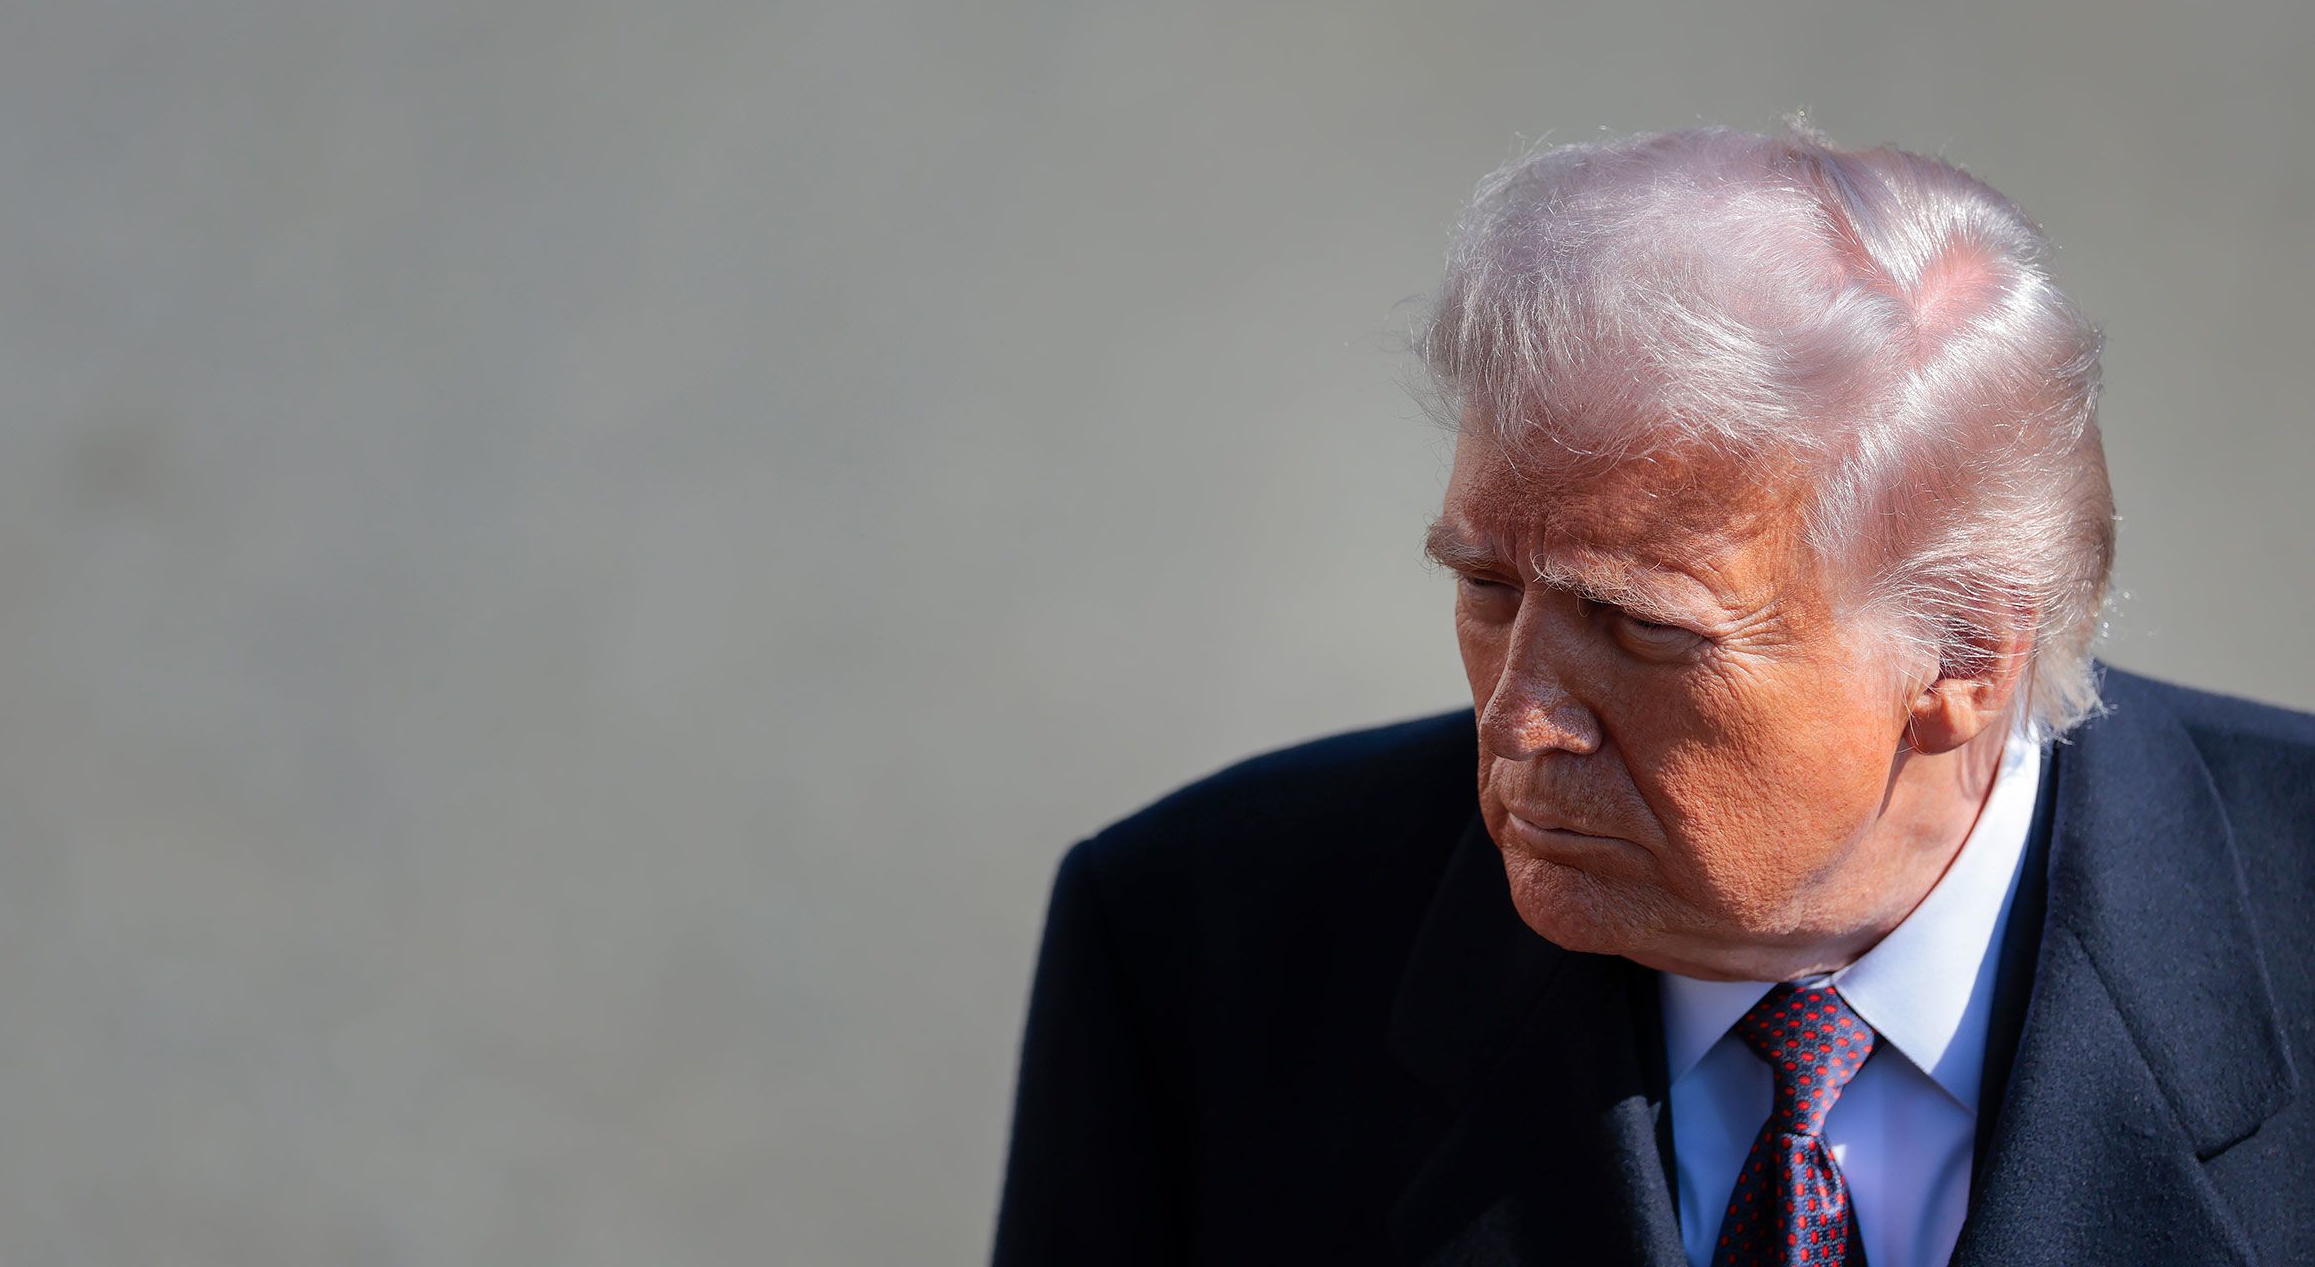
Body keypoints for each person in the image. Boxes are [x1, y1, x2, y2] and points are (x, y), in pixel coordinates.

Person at [987, 127, 2315, 1267]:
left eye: (1642, 628)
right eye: (1489, 589)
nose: (1520, 721)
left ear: (1968, 654)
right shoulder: (1198, 953)